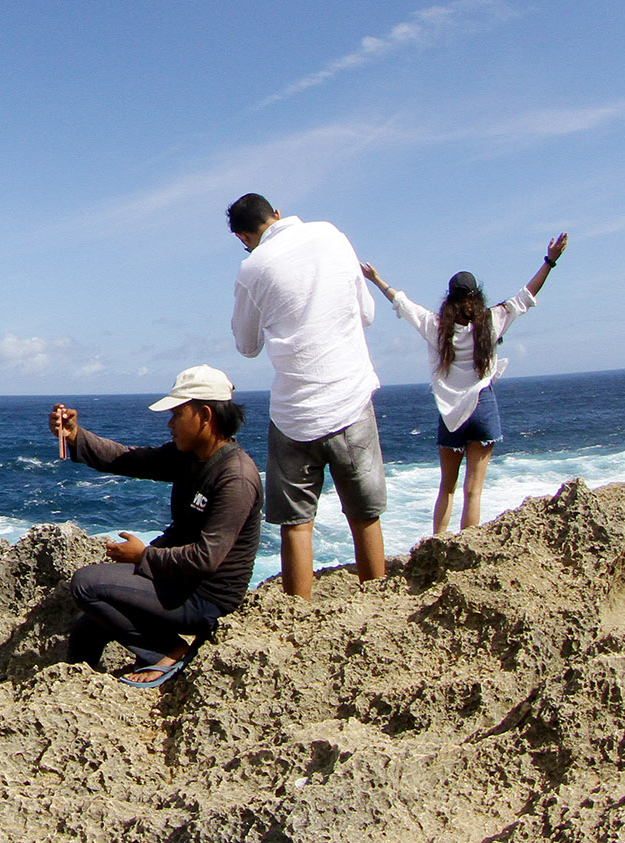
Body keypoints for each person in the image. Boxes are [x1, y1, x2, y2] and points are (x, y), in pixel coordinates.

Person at [50, 365, 262, 688]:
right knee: (86, 629)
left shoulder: (236, 476)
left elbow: (206, 559)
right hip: (177, 581)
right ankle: (75, 691)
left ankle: (169, 651)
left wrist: (143, 557)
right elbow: (129, 459)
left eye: (177, 414)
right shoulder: (190, 456)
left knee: (85, 584)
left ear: (205, 416)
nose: (170, 423)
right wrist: (76, 437)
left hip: (204, 598)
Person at [228, 192, 386, 600]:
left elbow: (247, 345)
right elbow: (366, 313)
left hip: (294, 413)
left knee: (296, 525)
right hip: (350, 399)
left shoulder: (253, 267)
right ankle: (378, 604)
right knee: (365, 517)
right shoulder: (332, 234)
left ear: (244, 236)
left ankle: (298, 617)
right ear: (276, 213)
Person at [362, 233, 568, 534]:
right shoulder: (492, 321)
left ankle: (437, 544)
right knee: (474, 491)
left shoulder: (436, 327)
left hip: (451, 415)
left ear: (450, 297)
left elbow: (403, 303)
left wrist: (377, 279)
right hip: (483, 408)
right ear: (476, 296)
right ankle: (465, 548)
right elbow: (526, 295)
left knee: (447, 488)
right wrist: (550, 261)